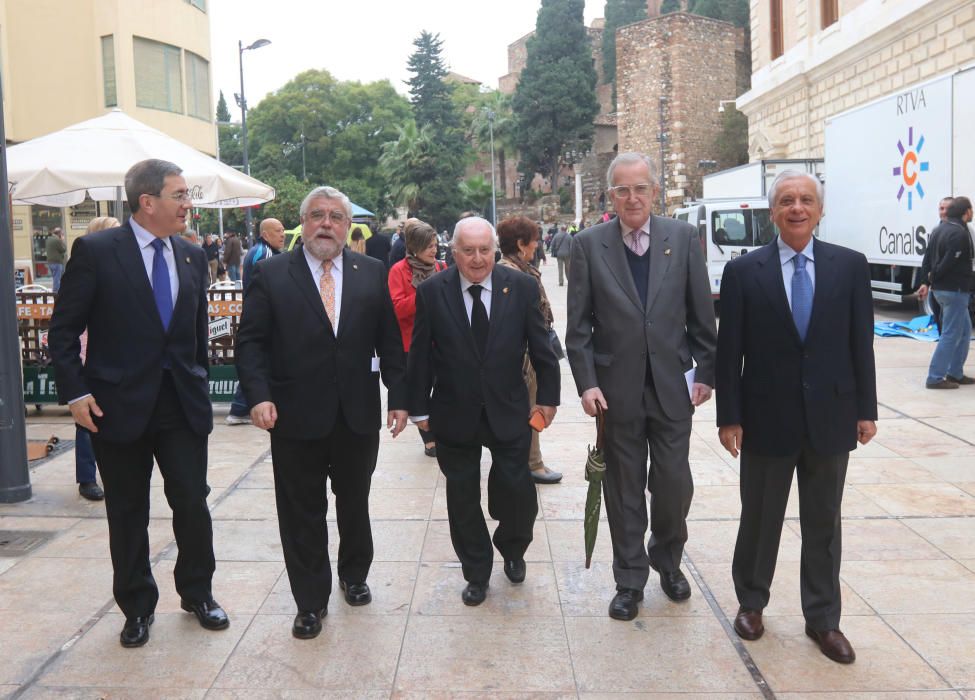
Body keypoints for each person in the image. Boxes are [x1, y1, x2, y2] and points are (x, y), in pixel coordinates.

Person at [49, 159, 228, 648]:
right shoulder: (97, 251)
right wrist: (77, 392)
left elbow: (195, 336)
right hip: (118, 406)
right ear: (147, 202)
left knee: (192, 502)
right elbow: (62, 332)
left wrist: (200, 383)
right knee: (128, 511)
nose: (188, 204)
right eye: (180, 195)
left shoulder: (191, 256)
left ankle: (198, 593)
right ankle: (137, 606)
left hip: (181, 406)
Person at [716, 170, 878, 665]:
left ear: (820, 209)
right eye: (787, 200)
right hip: (766, 418)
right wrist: (730, 417)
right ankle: (752, 603)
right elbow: (730, 353)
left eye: (806, 200)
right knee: (760, 518)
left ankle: (824, 620)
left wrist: (866, 410)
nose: (797, 208)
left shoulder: (849, 267)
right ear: (773, 212)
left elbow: (860, 345)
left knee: (824, 522)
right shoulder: (745, 272)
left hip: (831, 415)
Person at [235, 185, 408, 640]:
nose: (326, 224)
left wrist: (402, 397)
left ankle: (354, 575)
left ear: (347, 226)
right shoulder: (271, 275)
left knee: (355, 503)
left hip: (357, 415)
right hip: (294, 417)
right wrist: (258, 395)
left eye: (335, 216)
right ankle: (310, 601)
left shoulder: (372, 272)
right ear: (302, 224)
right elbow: (250, 342)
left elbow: (389, 340)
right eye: (317, 215)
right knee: (301, 512)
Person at [565, 152, 717, 622]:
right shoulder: (589, 245)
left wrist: (706, 372)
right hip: (616, 392)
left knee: (673, 485)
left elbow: (701, 316)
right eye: (622, 190)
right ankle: (629, 579)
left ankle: (667, 558)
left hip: (673, 387)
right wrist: (587, 383)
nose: (632, 198)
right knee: (623, 490)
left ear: (654, 191)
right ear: (610, 196)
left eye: (640, 188)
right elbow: (578, 329)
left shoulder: (684, 238)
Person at [407, 217, 560, 606]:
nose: (477, 259)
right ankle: (475, 571)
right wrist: (418, 409)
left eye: (484, 250)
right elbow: (420, 355)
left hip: (509, 408)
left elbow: (542, 349)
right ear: (453, 252)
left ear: (495, 250)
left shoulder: (522, 287)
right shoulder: (432, 292)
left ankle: (513, 547)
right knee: (461, 498)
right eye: (468, 251)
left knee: (516, 491)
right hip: (453, 411)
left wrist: (549, 398)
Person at [497, 216, 562, 484]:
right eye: (534, 240)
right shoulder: (510, 272)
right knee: (530, 408)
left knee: (531, 407)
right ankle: (532, 463)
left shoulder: (520, 268)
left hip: (530, 353)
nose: (537, 245)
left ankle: (530, 459)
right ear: (522, 243)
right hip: (523, 357)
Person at [388, 218, 446, 457]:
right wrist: (426, 293)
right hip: (411, 342)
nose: (434, 250)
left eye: (435, 245)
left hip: (440, 341)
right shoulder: (399, 271)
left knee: (443, 388)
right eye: (429, 246)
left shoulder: (441, 269)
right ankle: (429, 437)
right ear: (415, 247)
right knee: (419, 390)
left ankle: (442, 429)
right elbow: (398, 308)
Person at [74, 216, 121, 502]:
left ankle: (109, 475)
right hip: (89, 359)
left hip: (115, 361)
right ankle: (86, 478)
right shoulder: (87, 267)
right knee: (86, 424)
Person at [226, 218, 286, 425]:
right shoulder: (266, 254)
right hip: (263, 314)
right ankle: (241, 407)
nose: (283, 234)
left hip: (255, 310)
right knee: (261, 360)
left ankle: (240, 407)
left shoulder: (256, 250)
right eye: (278, 230)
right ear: (266, 234)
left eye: (283, 230)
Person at [925, 196, 974, 389]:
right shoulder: (959, 233)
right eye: (971, 209)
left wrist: (930, 279)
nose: (972, 213)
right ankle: (935, 377)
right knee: (951, 334)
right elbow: (950, 260)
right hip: (954, 290)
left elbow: (928, 256)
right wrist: (934, 276)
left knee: (964, 330)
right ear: (965, 212)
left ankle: (955, 373)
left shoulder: (940, 229)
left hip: (945, 290)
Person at [917, 196, 954, 332]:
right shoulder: (936, 230)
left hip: (952, 289)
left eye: (946, 208)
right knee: (942, 328)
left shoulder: (960, 232)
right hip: (937, 288)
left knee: (952, 330)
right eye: (941, 208)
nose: (943, 212)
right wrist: (925, 283)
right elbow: (927, 258)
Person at [46, 227, 67, 292]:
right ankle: (56, 293)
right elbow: (63, 249)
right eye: (62, 234)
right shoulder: (57, 240)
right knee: (57, 279)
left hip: (50, 262)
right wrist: (62, 240)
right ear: (59, 234)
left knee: (56, 278)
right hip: (57, 262)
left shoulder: (48, 239)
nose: (63, 235)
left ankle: (58, 291)